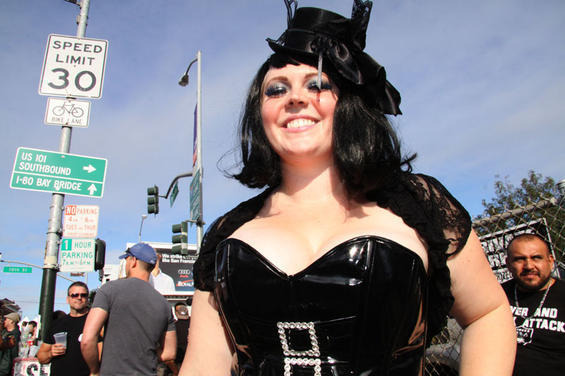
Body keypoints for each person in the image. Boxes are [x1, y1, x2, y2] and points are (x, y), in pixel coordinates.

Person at [179, 1, 517, 375]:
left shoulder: (418, 205)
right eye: (275, 90)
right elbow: (203, 364)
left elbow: (487, 313)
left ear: (349, 103)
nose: (295, 98)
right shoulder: (227, 234)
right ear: (259, 114)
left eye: (317, 84)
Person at [81, 242, 177, 376]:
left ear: (134, 261)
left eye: (126, 259)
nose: (125, 264)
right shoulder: (164, 304)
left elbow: (87, 340)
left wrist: (94, 370)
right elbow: (169, 353)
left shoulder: (109, 290)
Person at [502, 233, 565, 376]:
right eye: (519, 259)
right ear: (508, 264)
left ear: (550, 261)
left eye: (536, 257)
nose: (529, 266)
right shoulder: (498, 295)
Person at [37, 281, 94, 376]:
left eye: (83, 295)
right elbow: (41, 357)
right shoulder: (57, 324)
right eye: (75, 295)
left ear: (87, 299)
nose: (79, 298)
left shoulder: (95, 321)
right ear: (68, 299)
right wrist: (51, 353)